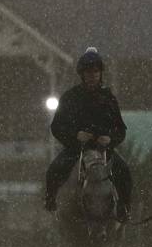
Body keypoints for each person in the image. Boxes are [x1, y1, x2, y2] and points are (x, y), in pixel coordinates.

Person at [44, 47, 133, 222]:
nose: (92, 75)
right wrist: (75, 136)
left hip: (104, 152)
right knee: (54, 169)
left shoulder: (109, 98)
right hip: (76, 150)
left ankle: (123, 209)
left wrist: (110, 139)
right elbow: (56, 127)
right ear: (82, 74)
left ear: (100, 74)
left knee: (124, 172)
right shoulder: (70, 97)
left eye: (95, 72)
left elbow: (120, 130)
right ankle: (51, 200)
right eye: (88, 72)